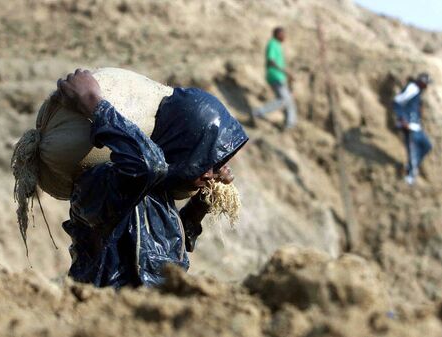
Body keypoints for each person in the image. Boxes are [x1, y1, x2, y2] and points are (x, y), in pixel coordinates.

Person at [55, 69, 248, 288]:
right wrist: (95, 105)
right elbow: (149, 165)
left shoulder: (155, 191)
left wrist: (203, 199)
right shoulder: (104, 183)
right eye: (204, 161)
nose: (211, 172)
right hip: (111, 309)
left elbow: (166, 246)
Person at [251, 26, 297, 130]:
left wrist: (287, 75)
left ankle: (290, 124)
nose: (285, 36)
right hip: (274, 76)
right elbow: (271, 61)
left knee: (288, 100)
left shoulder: (277, 45)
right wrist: (285, 72)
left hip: (279, 76)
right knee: (283, 99)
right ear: (278, 34)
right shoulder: (272, 44)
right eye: (283, 34)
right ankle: (258, 112)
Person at [393, 73, 433, 185]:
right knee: (412, 151)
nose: (427, 87)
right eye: (426, 84)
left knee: (427, 146)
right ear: (422, 82)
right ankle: (409, 178)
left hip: (416, 127)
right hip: (409, 127)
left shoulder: (418, 92)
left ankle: (410, 167)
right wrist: (402, 119)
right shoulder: (412, 88)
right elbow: (397, 101)